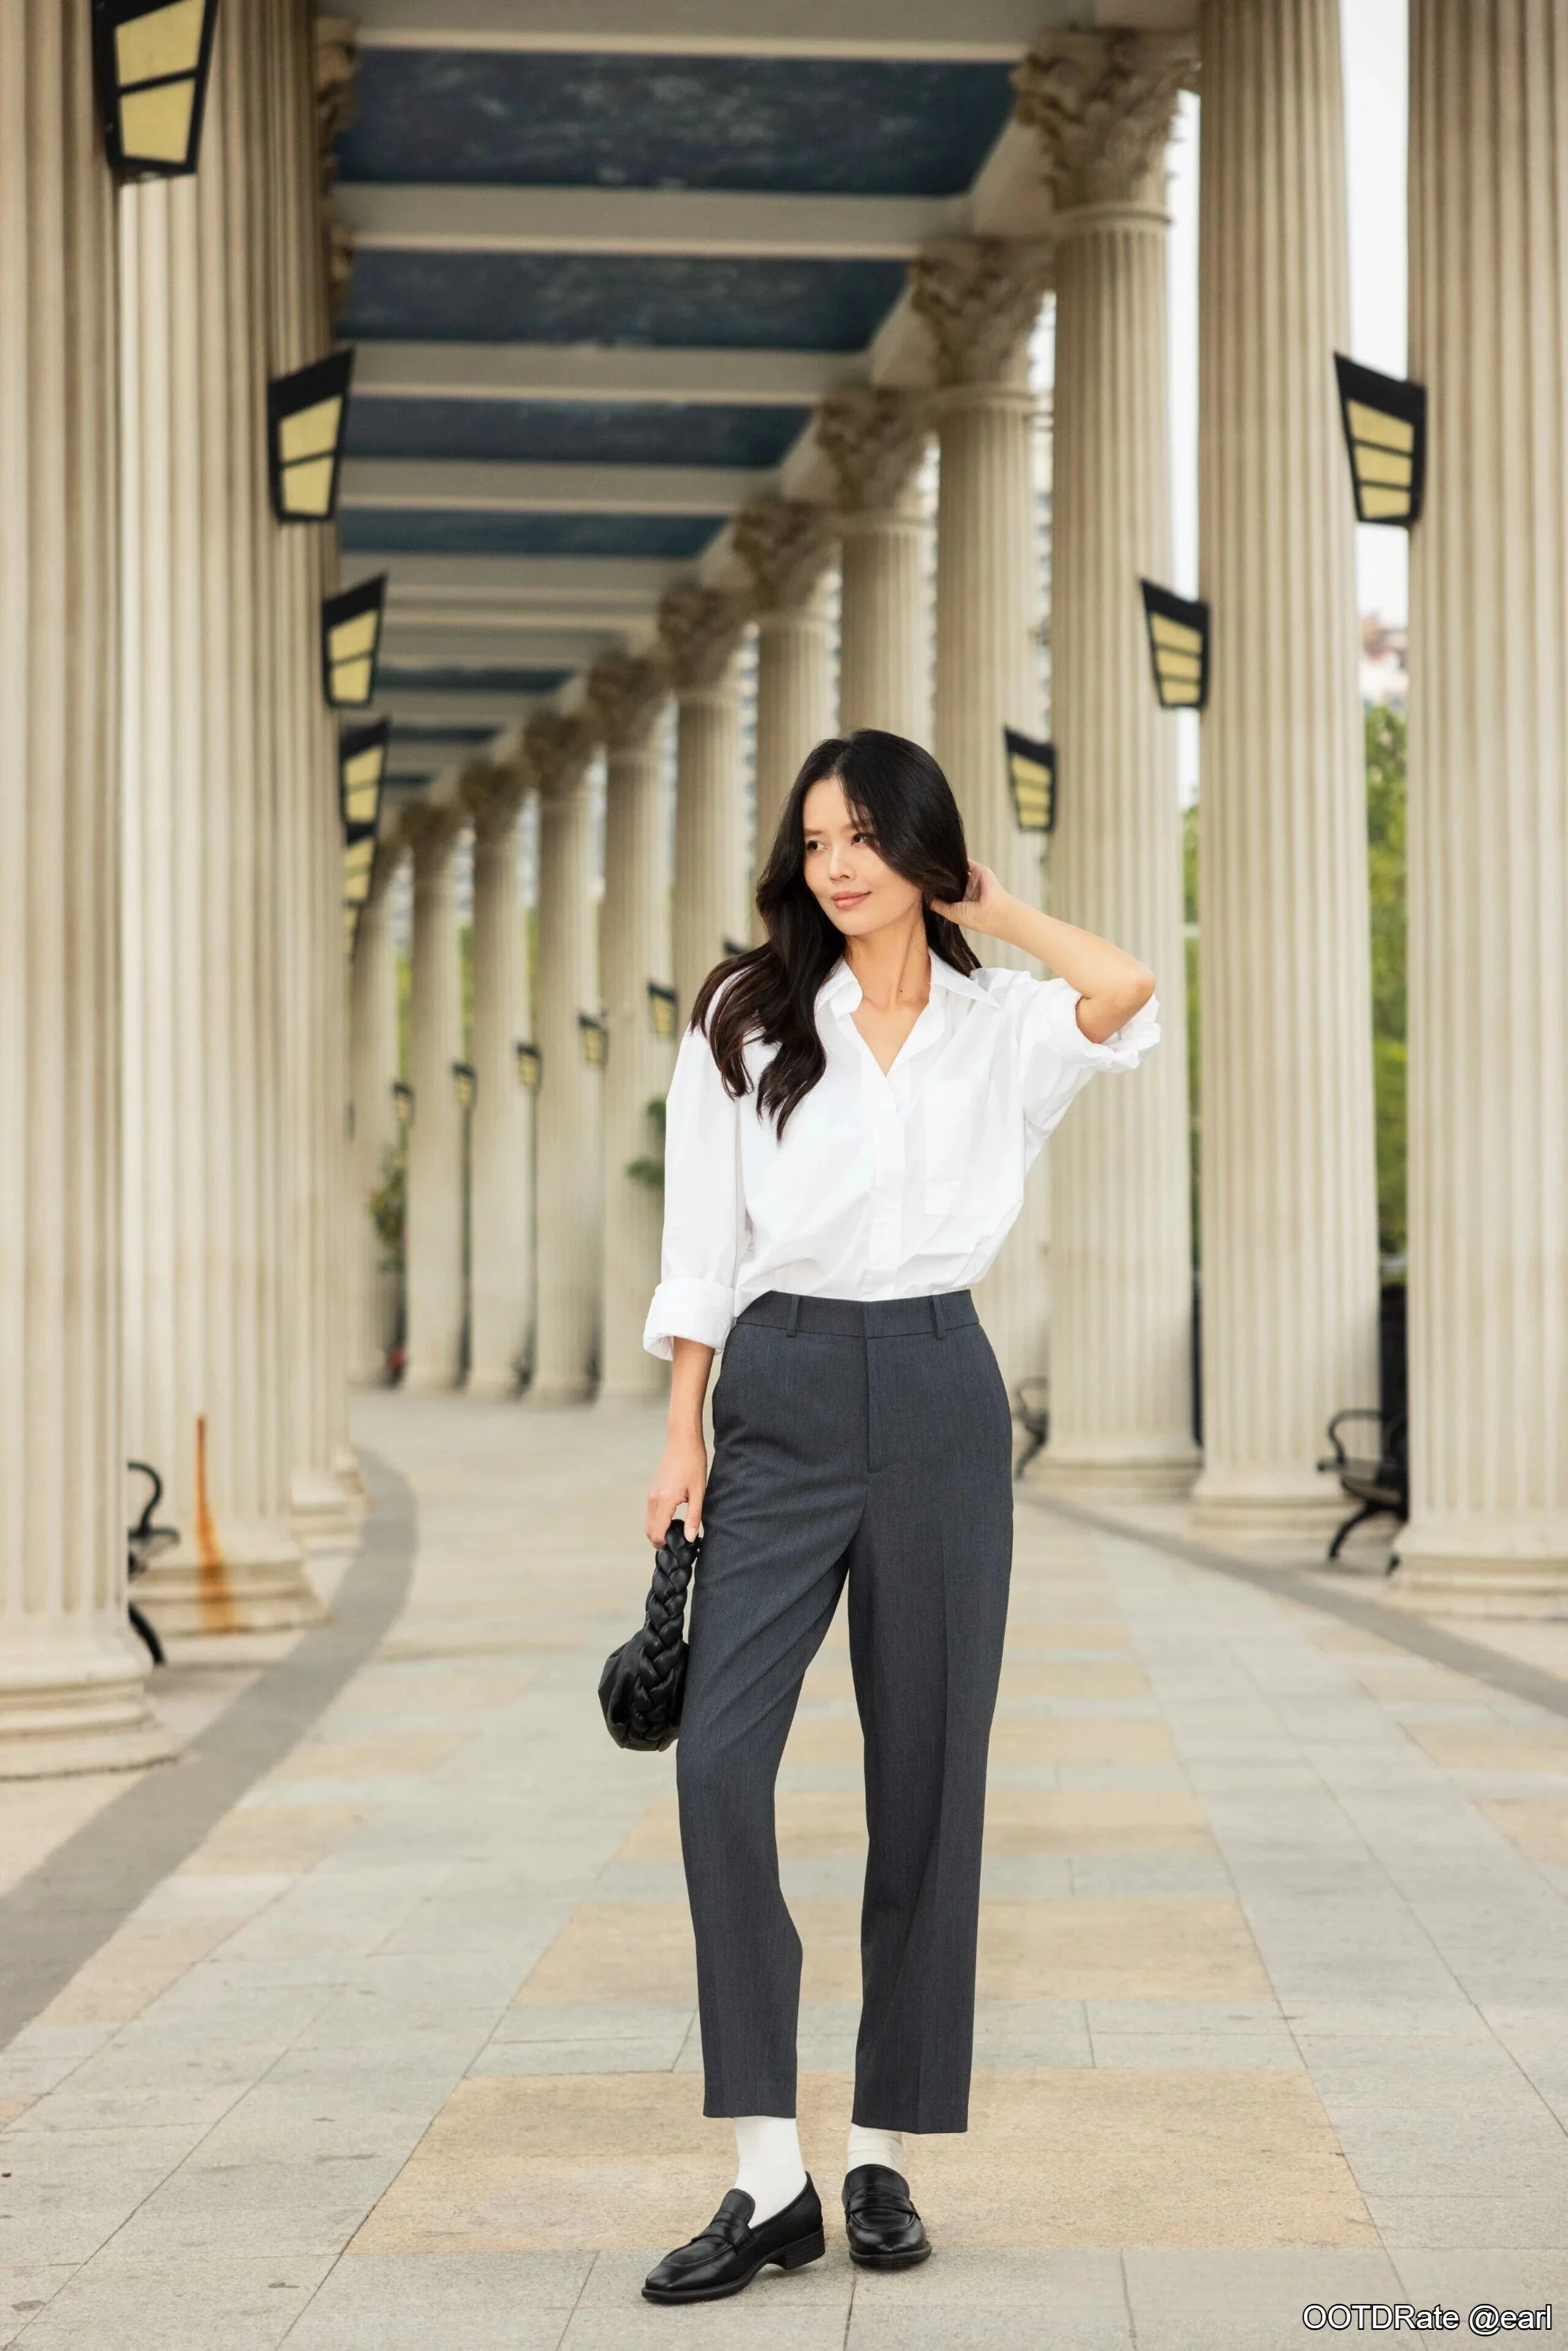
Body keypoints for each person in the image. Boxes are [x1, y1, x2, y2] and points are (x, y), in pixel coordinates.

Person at [637, 730, 1158, 2305]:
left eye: (868, 834)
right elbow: (698, 1240)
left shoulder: (998, 1021)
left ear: (924, 848)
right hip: (781, 1390)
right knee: (720, 1759)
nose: (838, 864)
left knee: (928, 1773)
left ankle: (877, 2148)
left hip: (939, 1384)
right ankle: (762, 2168)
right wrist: (680, 1436)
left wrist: (990, 908)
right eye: (816, 841)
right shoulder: (744, 1014)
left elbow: (1124, 986)